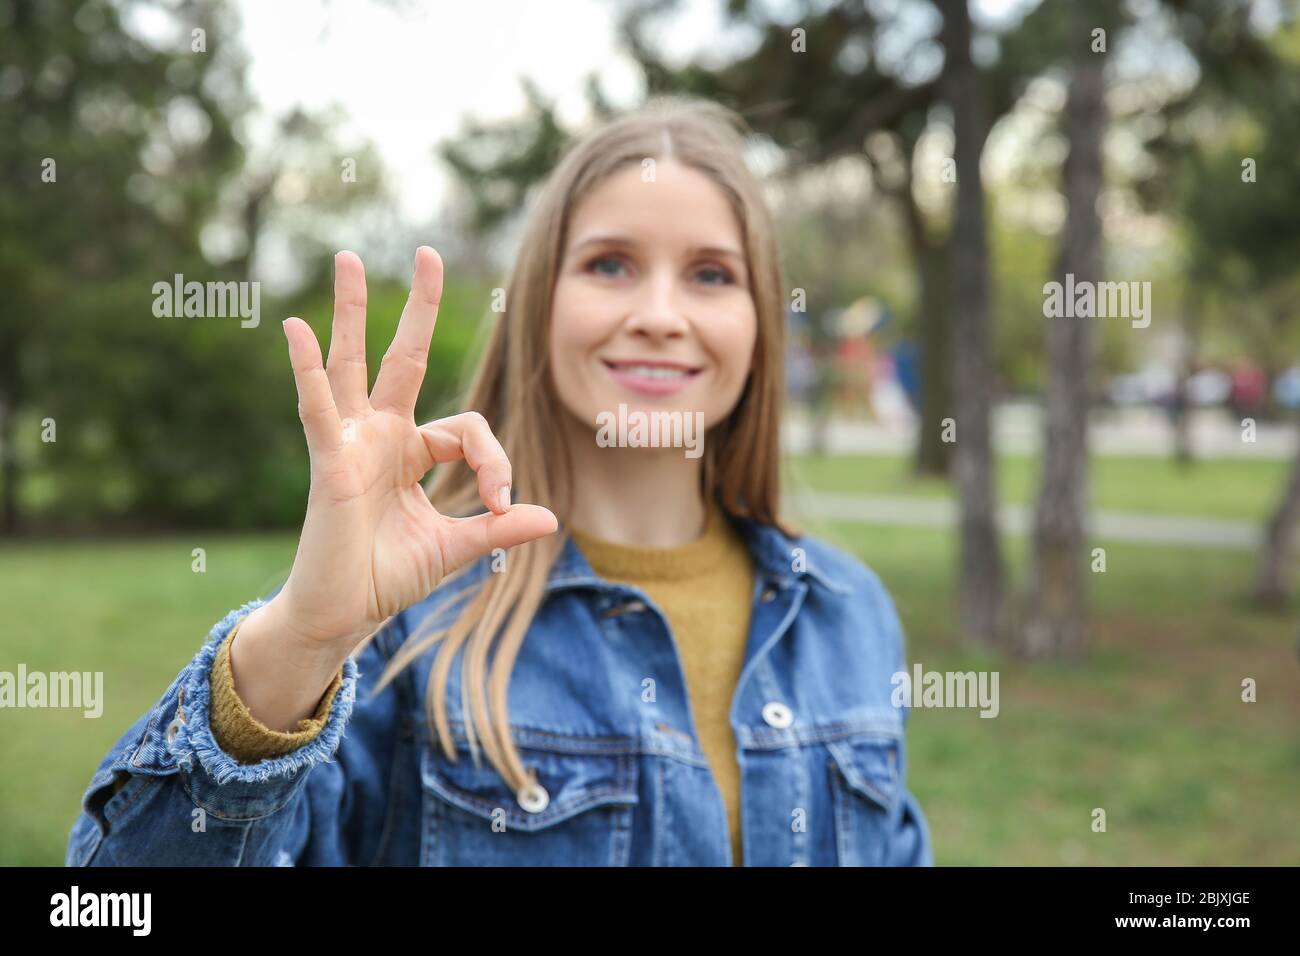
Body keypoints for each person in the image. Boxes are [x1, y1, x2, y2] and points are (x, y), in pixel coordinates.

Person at [66, 96, 932, 867]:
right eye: (610, 265)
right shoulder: (404, 631)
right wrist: (299, 644)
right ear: (539, 304)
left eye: (711, 274)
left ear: (760, 322)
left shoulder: (849, 615)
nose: (661, 316)